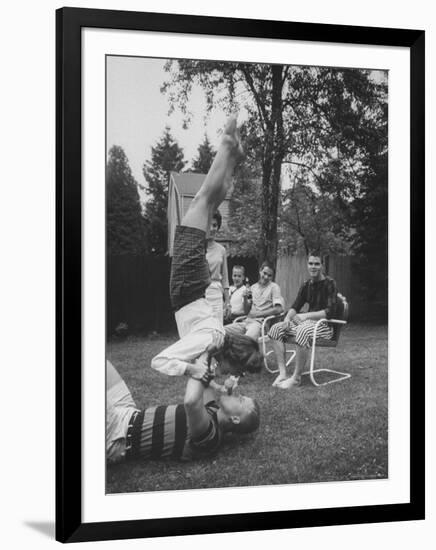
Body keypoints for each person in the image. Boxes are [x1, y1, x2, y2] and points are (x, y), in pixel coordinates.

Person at [151, 115, 262, 378]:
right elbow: (159, 361)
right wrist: (191, 369)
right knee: (200, 200)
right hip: (187, 288)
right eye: (236, 372)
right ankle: (226, 146)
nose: (233, 375)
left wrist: (211, 371)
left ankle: (232, 160)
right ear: (229, 358)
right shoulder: (208, 341)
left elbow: (250, 334)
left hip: (194, 289)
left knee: (209, 204)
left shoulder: (218, 340)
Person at [107, 360, 260, 464]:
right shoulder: (213, 409)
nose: (238, 394)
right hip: (128, 412)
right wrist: (212, 355)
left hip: (117, 434)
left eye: (241, 400)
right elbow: (205, 380)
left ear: (234, 419)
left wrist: (199, 369)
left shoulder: (211, 436)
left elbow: (192, 402)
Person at [268, 252, 338, 389]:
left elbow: (330, 312)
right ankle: (283, 373)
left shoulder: (330, 283)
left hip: (324, 326)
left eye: (317, 263)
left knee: (302, 329)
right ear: (307, 265)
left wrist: (306, 316)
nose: (313, 266)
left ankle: (296, 378)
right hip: (308, 324)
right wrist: (287, 319)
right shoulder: (306, 284)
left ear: (322, 265)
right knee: (275, 328)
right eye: (311, 263)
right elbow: (295, 306)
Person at [225, 262, 285, 341]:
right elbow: (247, 311)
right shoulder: (253, 287)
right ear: (260, 271)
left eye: (269, 275)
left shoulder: (274, 287)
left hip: (259, 324)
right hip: (246, 322)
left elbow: (279, 309)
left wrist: (258, 314)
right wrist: (245, 298)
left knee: (246, 341)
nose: (266, 277)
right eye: (264, 273)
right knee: (221, 332)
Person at [205, 209, 231, 322]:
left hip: (216, 294)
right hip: (200, 295)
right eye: (209, 225)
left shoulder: (221, 250)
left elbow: (225, 279)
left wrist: (227, 302)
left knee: (217, 330)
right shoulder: (197, 248)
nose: (212, 228)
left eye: (215, 225)